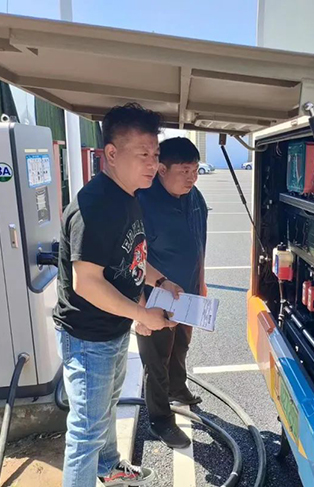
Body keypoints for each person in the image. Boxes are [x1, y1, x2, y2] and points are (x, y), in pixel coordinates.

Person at [53, 103, 183, 487]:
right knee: (85, 432)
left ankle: (108, 468)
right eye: (143, 154)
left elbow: (131, 257)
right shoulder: (95, 206)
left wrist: (160, 281)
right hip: (87, 338)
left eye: (155, 154)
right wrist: (141, 315)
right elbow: (87, 282)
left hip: (112, 330)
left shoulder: (128, 195)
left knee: (106, 408)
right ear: (111, 154)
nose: (153, 164)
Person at [136, 137, 208, 449]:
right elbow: (129, 260)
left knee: (181, 346)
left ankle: (178, 388)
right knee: (156, 361)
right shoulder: (141, 201)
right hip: (154, 297)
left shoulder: (195, 198)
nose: (192, 178)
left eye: (196, 170)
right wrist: (139, 309)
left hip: (188, 292)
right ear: (162, 170)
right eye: (185, 171)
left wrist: (201, 282)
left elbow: (200, 243)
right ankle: (160, 420)